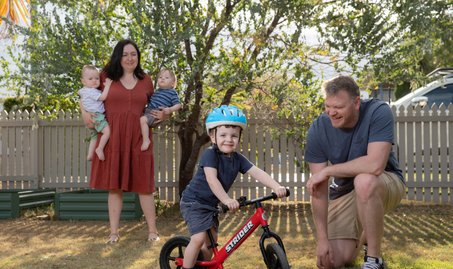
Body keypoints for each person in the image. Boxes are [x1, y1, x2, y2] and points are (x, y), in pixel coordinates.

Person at [304, 75, 406, 269]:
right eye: (328, 106)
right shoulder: (318, 129)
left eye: (339, 107)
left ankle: (374, 259)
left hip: (385, 183)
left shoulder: (378, 111)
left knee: (364, 181)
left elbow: (376, 165)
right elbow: (318, 187)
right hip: (346, 194)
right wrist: (322, 239)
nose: (332, 112)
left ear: (356, 102)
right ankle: (367, 233)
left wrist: (329, 171)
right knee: (330, 261)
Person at [80, 39, 170, 244]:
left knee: (145, 185)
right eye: (125, 54)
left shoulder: (146, 80)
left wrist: (165, 115)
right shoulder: (104, 77)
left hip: (140, 138)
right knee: (115, 186)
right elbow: (84, 94)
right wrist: (84, 114)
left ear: (138, 57)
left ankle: (153, 232)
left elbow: (159, 106)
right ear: (119, 57)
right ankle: (113, 233)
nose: (130, 58)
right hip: (113, 137)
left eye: (134, 54)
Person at [179, 105, 288, 269]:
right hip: (194, 203)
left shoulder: (238, 159)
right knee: (198, 239)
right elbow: (212, 180)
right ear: (212, 137)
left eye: (234, 136)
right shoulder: (210, 154)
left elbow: (257, 172)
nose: (229, 139)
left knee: (210, 245)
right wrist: (226, 199)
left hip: (210, 205)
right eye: (223, 135)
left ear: (239, 138)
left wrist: (276, 186)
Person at [139, 68, 181, 151]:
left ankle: (146, 140)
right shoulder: (157, 91)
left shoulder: (172, 92)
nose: (162, 78)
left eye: (166, 77)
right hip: (148, 110)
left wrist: (169, 110)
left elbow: (178, 104)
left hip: (155, 115)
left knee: (142, 120)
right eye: (160, 77)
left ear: (173, 84)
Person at [79, 65, 112, 161]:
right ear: (83, 81)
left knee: (94, 138)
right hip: (97, 116)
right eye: (90, 79)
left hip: (91, 116)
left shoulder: (83, 90)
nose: (94, 81)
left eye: (97, 78)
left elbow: (79, 92)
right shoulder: (92, 91)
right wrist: (108, 86)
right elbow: (103, 97)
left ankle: (90, 155)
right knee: (107, 132)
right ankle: (99, 149)